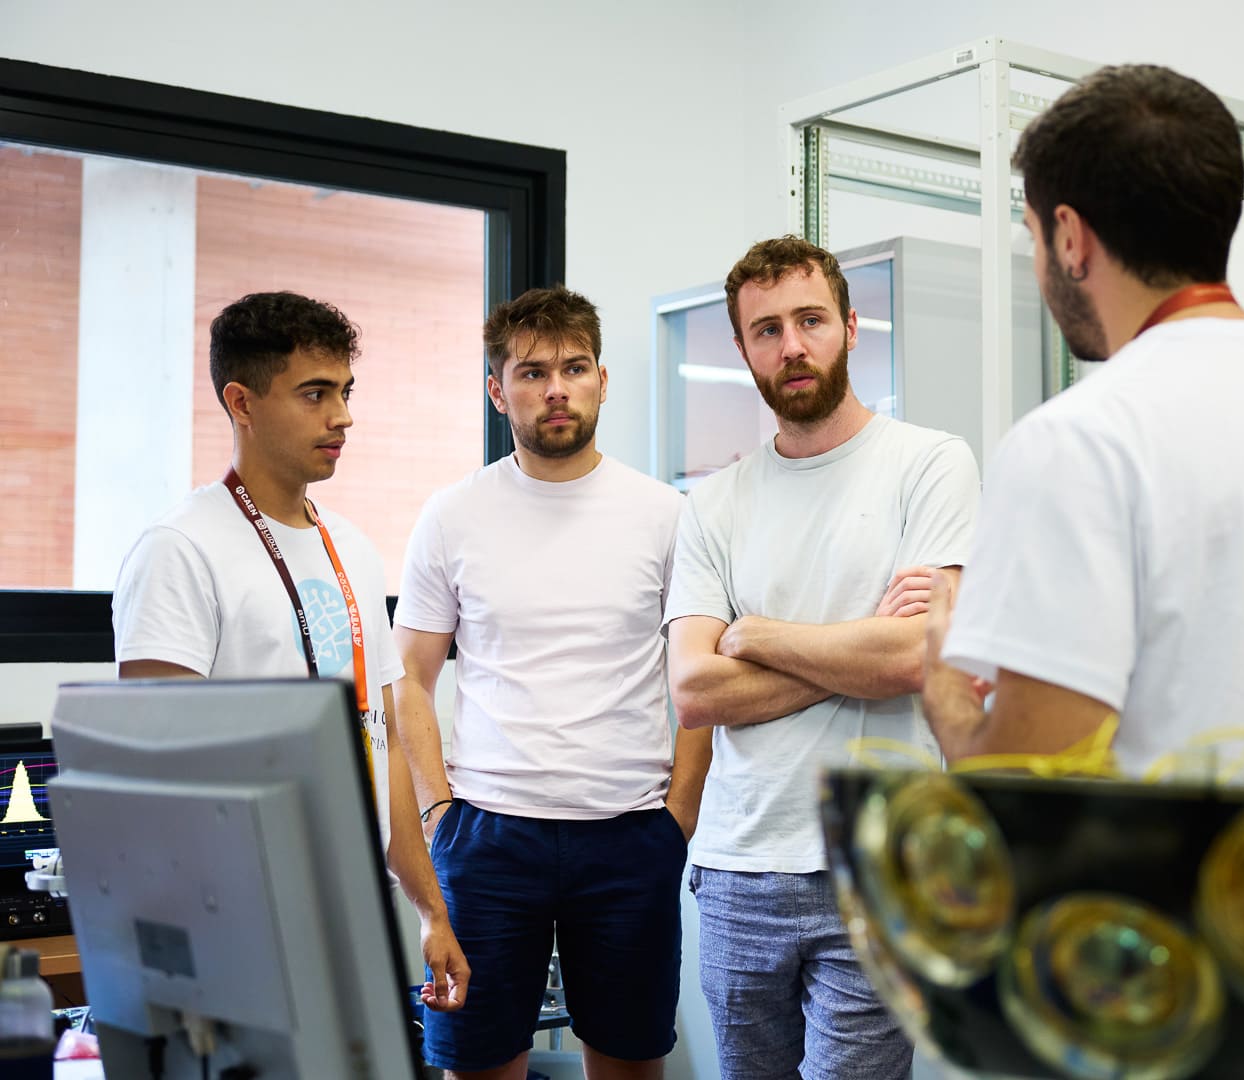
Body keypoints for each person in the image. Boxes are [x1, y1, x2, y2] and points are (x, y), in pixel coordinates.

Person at [923, 65, 1244, 790]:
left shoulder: (1076, 442)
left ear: (1070, 238)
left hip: (1151, 871)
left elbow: (1025, 788)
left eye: (1032, 235)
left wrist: (943, 686)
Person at [664, 237, 981, 1080]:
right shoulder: (714, 501)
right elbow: (693, 689)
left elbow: (912, 658)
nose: (791, 346)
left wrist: (755, 634)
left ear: (849, 326)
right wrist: (859, 643)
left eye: (810, 321)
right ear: (743, 351)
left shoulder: (930, 463)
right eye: (766, 330)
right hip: (738, 867)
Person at [111, 290, 468, 1011]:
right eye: (314, 393)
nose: (342, 416)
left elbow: (383, 745)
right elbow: (153, 779)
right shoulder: (180, 549)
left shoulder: (352, 548)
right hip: (232, 923)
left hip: (349, 912)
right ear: (241, 402)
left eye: (345, 392)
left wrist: (431, 910)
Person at [391, 286, 697, 1080]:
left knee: (630, 1060)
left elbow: (698, 676)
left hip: (630, 833)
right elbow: (408, 680)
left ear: (602, 379)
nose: (556, 389)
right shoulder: (452, 514)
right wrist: (438, 814)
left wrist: (680, 817)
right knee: (476, 1062)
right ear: (498, 392)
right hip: (488, 836)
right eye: (531, 373)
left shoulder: (665, 515)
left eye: (573, 368)